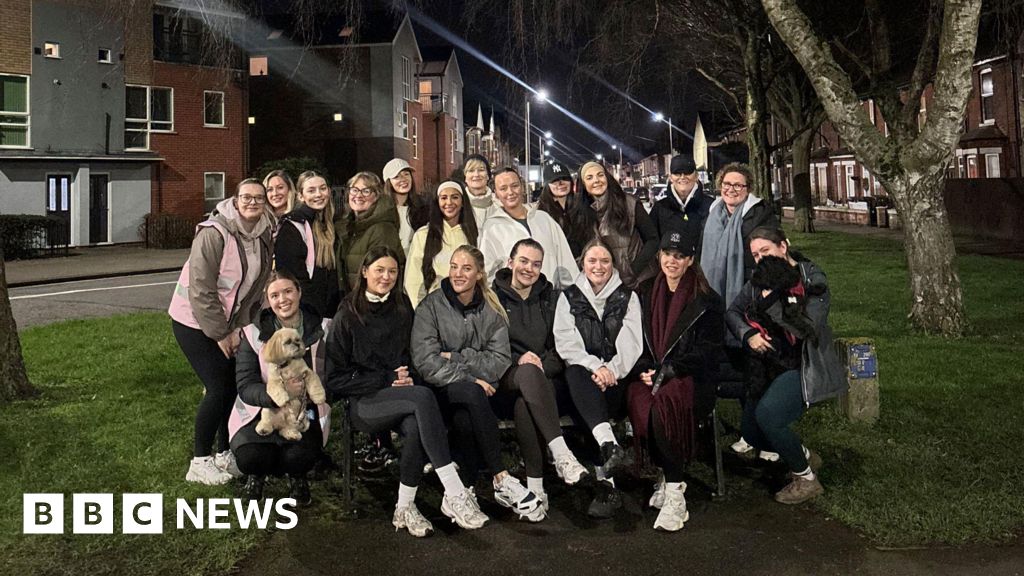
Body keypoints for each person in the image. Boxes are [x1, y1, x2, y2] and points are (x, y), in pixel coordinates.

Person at [326, 247, 489, 535]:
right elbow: (334, 380)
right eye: (379, 270)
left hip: (403, 397)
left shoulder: (402, 307)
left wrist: (408, 378)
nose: (386, 277)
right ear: (364, 271)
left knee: (416, 424)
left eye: (392, 271)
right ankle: (454, 490)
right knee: (423, 399)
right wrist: (385, 379)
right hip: (365, 403)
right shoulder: (346, 315)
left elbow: (412, 358)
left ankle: (404, 508)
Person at [411, 245, 542, 518]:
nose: (458, 274)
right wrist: (470, 377)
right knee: (471, 394)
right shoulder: (431, 306)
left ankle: (463, 491)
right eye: (454, 267)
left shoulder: (491, 309)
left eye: (466, 268)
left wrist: (455, 356)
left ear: (480, 274)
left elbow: (498, 361)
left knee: (466, 417)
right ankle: (500, 475)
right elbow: (426, 362)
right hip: (438, 393)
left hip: (479, 396)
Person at [725, 226, 845, 505]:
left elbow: (806, 329)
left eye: (765, 251)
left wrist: (771, 302)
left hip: (802, 365)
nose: (759, 259)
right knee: (752, 432)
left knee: (769, 416)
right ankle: (801, 453)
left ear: (783, 245)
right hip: (766, 364)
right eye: (754, 255)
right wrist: (748, 334)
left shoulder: (812, 278)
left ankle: (805, 478)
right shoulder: (759, 279)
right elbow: (732, 311)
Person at [169, 178, 274, 485]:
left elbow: (253, 288)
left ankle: (222, 453)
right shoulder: (215, 233)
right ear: (235, 200)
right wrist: (220, 334)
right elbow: (201, 289)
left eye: (259, 197)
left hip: (227, 323)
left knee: (230, 385)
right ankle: (199, 461)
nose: (252, 202)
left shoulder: (263, 233)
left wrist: (239, 326)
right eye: (246, 197)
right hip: (192, 320)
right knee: (218, 386)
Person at [628, 226, 724, 531]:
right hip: (652, 373)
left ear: (690, 260)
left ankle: (675, 490)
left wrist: (671, 369)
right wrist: (645, 367)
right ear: (659, 256)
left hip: (690, 378)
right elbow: (637, 341)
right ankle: (666, 477)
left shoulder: (707, 300)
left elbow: (708, 351)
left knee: (663, 404)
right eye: (668, 254)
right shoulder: (644, 293)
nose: (672, 261)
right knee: (641, 399)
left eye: (680, 256)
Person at [492, 239, 590, 521]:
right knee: (525, 376)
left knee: (527, 402)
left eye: (536, 264)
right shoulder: (492, 297)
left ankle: (535, 490)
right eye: (523, 261)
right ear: (510, 262)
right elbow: (489, 345)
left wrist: (541, 365)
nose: (529, 269)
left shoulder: (552, 298)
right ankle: (561, 453)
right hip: (505, 376)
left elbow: (562, 346)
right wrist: (518, 361)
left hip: (543, 381)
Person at [553, 241, 643, 518]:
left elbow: (632, 344)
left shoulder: (628, 297)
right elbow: (567, 344)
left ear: (613, 265)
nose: (598, 267)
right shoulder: (568, 297)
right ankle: (608, 452)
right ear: (583, 264)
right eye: (592, 260)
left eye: (604, 261)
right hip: (584, 379)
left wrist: (611, 372)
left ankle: (606, 479)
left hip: (617, 382)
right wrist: (596, 368)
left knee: (588, 397)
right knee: (575, 373)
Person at [229, 271, 329, 505]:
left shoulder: (323, 328)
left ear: (299, 293)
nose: (282, 299)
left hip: (304, 412)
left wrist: (305, 394)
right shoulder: (253, 334)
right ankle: (257, 475)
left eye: (287, 292)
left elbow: (331, 378)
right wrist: (277, 397)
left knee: (298, 456)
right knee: (251, 457)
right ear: (268, 300)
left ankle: (297, 475)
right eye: (275, 295)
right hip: (260, 410)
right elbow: (245, 385)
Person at [478, 167, 578, 289]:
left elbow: (566, 263)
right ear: (496, 194)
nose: (510, 192)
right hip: (513, 303)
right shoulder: (491, 228)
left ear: (522, 187)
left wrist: (574, 298)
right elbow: (486, 274)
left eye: (514, 186)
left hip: (550, 300)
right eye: (503, 189)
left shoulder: (543, 219)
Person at [700, 162, 779, 311]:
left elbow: (771, 256)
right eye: (726, 184)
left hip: (748, 289)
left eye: (737, 186)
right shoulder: (712, 214)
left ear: (748, 189)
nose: (731, 189)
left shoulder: (761, 214)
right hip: (711, 288)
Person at [573, 161, 659, 288]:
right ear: (584, 185)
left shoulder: (629, 203)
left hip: (638, 282)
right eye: (589, 177)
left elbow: (653, 240)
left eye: (600, 175)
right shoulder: (580, 212)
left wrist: (632, 271)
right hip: (601, 285)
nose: (596, 180)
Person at [275, 171, 341, 320]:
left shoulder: (330, 223)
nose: (318, 194)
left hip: (331, 311)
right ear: (300, 195)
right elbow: (291, 274)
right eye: (311, 190)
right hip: (309, 313)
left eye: (323, 188)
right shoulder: (293, 226)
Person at [405, 180, 479, 308]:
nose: (449, 202)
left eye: (455, 197)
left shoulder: (475, 234)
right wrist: (421, 310)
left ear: (462, 202)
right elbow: (413, 280)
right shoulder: (423, 235)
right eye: (443, 198)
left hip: (469, 307)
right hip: (435, 308)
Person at [334, 171, 404, 293]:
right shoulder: (347, 226)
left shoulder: (383, 229)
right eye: (354, 190)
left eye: (366, 191)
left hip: (370, 305)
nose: (359, 195)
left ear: (376, 196)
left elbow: (382, 278)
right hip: (351, 301)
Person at [649, 156, 714, 249]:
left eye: (687, 172)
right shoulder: (659, 208)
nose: (682, 177)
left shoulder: (711, 206)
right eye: (677, 173)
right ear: (671, 177)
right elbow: (651, 243)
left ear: (696, 176)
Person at [537, 161, 587, 258]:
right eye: (554, 180)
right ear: (547, 185)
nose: (561, 183)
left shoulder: (582, 205)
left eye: (564, 178)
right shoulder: (540, 212)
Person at [383, 158, 430, 255]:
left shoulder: (423, 207)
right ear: (389, 182)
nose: (403, 179)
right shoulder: (382, 210)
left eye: (406, 174)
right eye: (396, 176)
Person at [462, 154, 495, 227]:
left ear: (488, 175)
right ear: (465, 177)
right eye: (471, 170)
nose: (476, 174)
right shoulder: (458, 205)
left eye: (481, 170)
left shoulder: (500, 204)